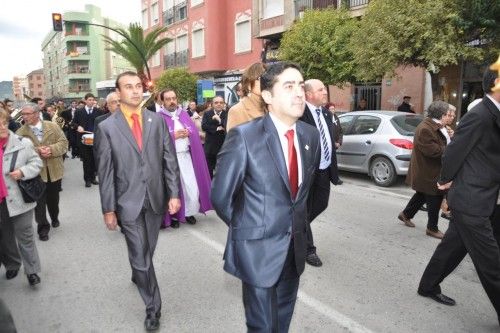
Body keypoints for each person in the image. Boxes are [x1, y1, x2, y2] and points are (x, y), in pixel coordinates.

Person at [211, 62, 320, 332]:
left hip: (293, 250)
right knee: (261, 326)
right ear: (268, 96)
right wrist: (250, 231)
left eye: (301, 85)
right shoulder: (245, 137)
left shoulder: (310, 135)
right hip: (257, 251)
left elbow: (302, 194)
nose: (299, 93)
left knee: (281, 322)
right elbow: (221, 197)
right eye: (289, 86)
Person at [94, 71, 181, 331]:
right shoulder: (107, 127)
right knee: (142, 257)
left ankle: (138, 271)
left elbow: (169, 160)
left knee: (147, 251)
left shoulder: (157, 121)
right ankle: (152, 308)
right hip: (127, 202)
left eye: (138, 86)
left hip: (155, 198)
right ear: (118, 93)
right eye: (128, 87)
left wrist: (174, 193)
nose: (134, 91)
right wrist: (108, 209)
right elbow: (106, 172)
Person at [417, 67, 500, 327]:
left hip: (489, 198)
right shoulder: (480, 115)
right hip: (472, 199)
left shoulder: (493, 115)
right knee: (492, 263)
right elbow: (454, 152)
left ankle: (428, 285)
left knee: (453, 247)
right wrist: (444, 180)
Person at [299, 79, 341, 267]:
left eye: (324, 88)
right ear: (308, 94)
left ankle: (298, 228)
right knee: (304, 210)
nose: (325, 92)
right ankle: (308, 249)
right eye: (321, 89)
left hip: (324, 169)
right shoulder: (299, 113)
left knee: (320, 205)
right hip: (307, 171)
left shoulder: (325, 113)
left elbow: (329, 140)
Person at [0, 109, 43, 286]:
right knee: (5, 237)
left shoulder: (22, 143)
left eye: (4, 122)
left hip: (19, 199)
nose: (2, 127)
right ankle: (12, 264)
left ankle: (32, 271)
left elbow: (36, 163)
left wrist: (23, 171)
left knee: (25, 236)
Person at [158, 89, 212, 228]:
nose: (172, 101)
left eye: (174, 98)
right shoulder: (158, 118)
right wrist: (172, 136)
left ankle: (188, 212)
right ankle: (174, 216)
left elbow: (194, 133)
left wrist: (189, 133)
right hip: (169, 160)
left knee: (191, 187)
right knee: (174, 189)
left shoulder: (184, 114)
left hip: (186, 157)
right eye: (168, 99)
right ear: (162, 101)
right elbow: (154, 140)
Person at [397, 101, 448, 239]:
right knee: (435, 197)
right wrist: (452, 147)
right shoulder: (426, 128)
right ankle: (432, 228)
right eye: (447, 114)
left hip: (429, 169)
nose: (449, 116)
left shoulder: (434, 126)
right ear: (441, 114)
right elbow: (433, 151)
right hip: (428, 171)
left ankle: (406, 214)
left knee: (421, 194)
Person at [16, 104, 68, 241]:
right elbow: (19, 154)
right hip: (35, 173)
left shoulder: (52, 126)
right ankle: (43, 228)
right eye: (23, 114)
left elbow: (63, 143)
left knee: (53, 200)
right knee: (39, 203)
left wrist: (51, 149)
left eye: (27, 113)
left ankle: (55, 216)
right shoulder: (20, 132)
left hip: (54, 170)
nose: (24, 116)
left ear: (37, 113)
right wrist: (37, 151)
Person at [72, 93, 102, 187]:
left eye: (93, 100)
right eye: (89, 99)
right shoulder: (79, 111)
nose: (91, 101)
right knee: (86, 160)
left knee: (94, 159)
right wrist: (78, 127)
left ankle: (93, 178)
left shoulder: (99, 111)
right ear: (85, 100)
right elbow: (73, 123)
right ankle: (87, 179)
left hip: (95, 139)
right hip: (83, 139)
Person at [226, 62, 266, 131]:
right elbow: (235, 141)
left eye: (266, 78)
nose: (265, 82)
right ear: (248, 84)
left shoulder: (274, 107)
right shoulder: (237, 111)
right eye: (260, 78)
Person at [202, 96, 227, 178]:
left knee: (223, 170)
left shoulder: (227, 113)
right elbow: (204, 126)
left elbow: (228, 126)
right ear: (212, 104)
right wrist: (217, 128)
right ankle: (210, 187)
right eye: (216, 103)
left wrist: (219, 120)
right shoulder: (207, 113)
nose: (219, 104)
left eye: (221, 102)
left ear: (224, 104)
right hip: (210, 147)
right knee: (209, 170)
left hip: (223, 146)